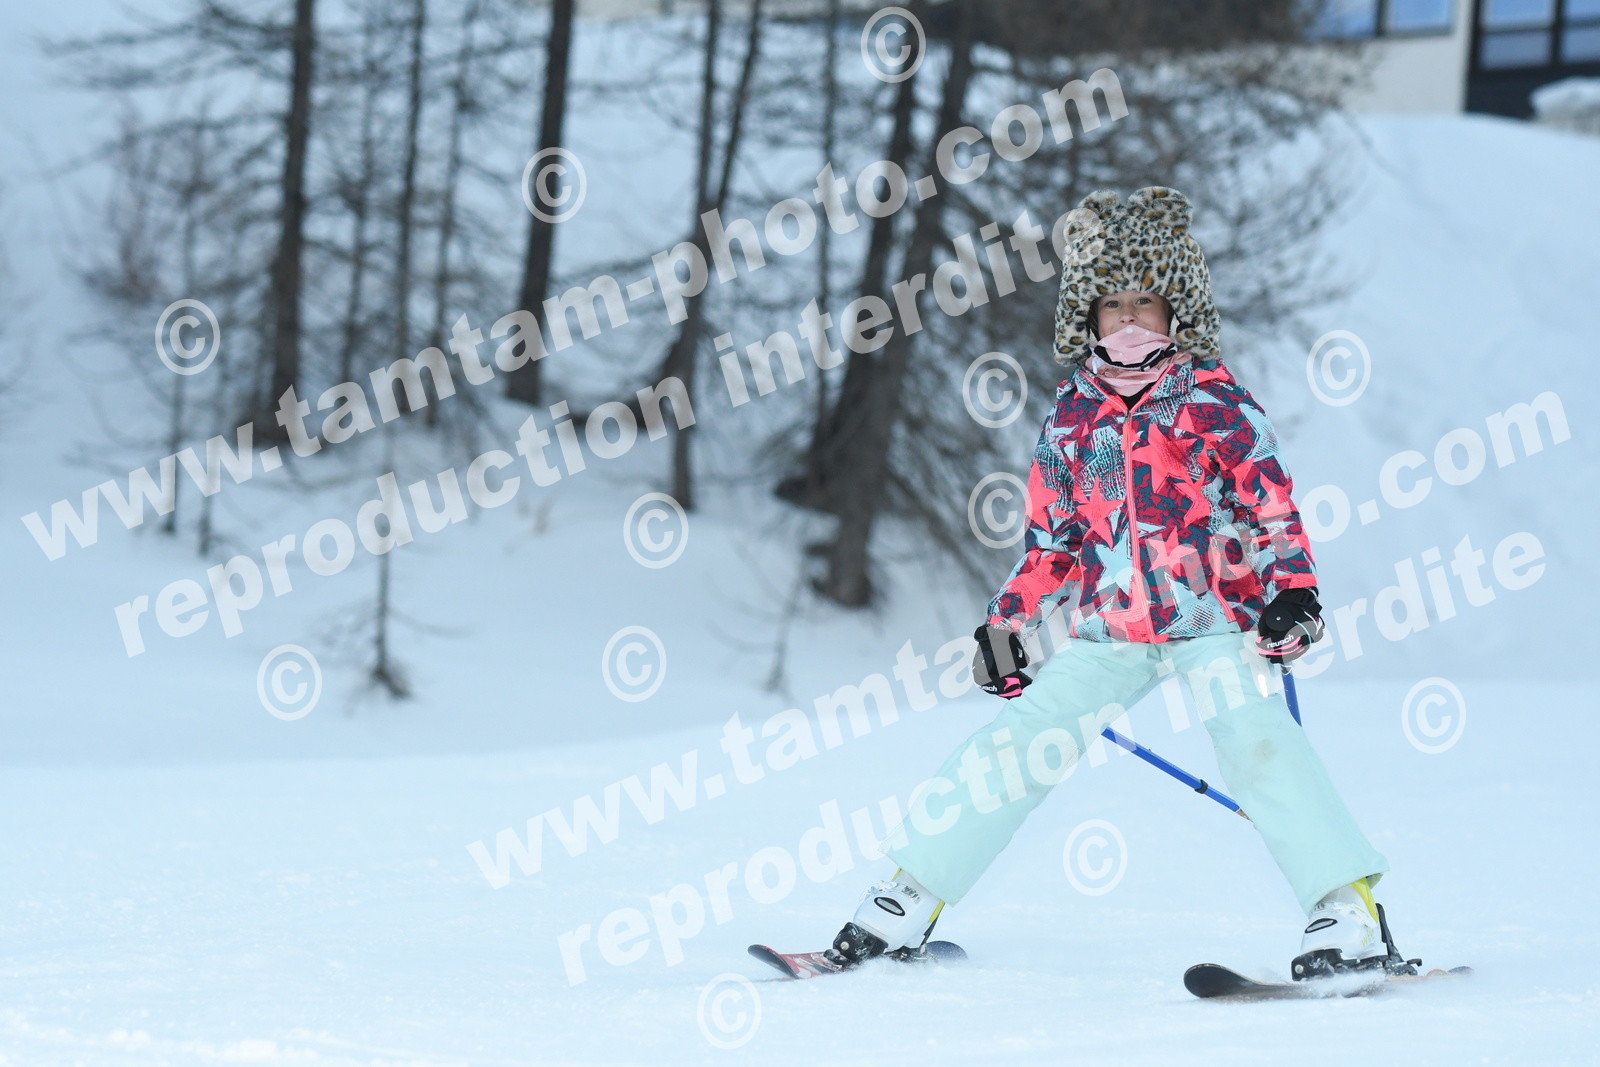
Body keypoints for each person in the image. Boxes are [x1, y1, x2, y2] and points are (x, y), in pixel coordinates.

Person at [826, 186, 1396, 980]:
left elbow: (1269, 507)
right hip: (1112, 627)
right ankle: (906, 896)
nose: (1129, 320)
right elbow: (1054, 542)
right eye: (1112, 303)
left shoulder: (1213, 400)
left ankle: (1346, 909)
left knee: (1257, 740)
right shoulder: (1073, 418)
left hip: (1216, 616)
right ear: (1086, 316)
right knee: (1019, 740)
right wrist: (1008, 622)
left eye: (1145, 303)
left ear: (1177, 312)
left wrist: (1292, 591)